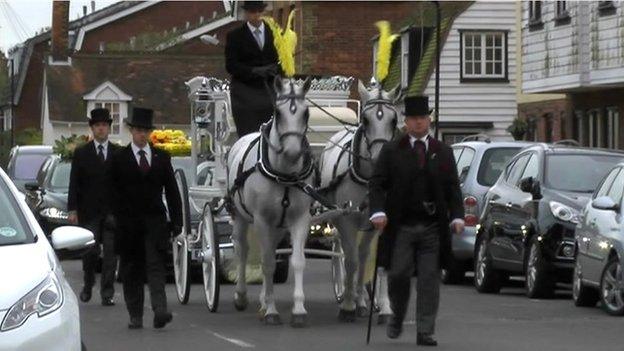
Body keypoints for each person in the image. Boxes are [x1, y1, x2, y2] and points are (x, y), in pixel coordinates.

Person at [368, 96, 464, 346]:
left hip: (432, 226)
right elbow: (377, 184)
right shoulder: (392, 150)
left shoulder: (442, 152)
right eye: (413, 119)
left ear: (429, 121)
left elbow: (453, 188)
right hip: (402, 225)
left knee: (429, 279)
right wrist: (378, 211)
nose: (418, 123)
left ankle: (425, 329)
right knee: (398, 274)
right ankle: (397, 316)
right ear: (406, 122)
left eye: (422, 118)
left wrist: (457, 216)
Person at [110, 107, 182, 330]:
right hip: (128, 225)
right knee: (132, 269)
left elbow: (172, 191)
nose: (142, 134)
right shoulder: (119, 158)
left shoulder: (161, 158)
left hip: (155, 222)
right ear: (131, 131)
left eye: (145, 131)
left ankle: (160, 310)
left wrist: (177, 221)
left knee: (156, 267)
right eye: (138, 130)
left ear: (150, 132)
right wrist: (113, 218)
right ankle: (135, 315)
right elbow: (110, 191)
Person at [68, 107, 120, 307]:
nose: (101, 129)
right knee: (90, 253)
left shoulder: (117, 153)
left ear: (109, 128)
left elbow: (122, 185)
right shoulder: (82, 153)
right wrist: (72, 209)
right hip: (88, 212)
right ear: (92, 128)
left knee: (110, 253)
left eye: (104, 126)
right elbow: (74, 183)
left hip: (111, 213)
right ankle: (88, 284)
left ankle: (107, 292)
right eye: (97, 126)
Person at [225, 0, 280, 137]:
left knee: (272, 130)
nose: (256, 15)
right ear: (246, 14)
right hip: (245, 92)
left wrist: (275, 69)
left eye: (259, 12)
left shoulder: (275, 33)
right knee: (250, 132)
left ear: (263, 12)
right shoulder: (235, 36)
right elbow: (231, 66)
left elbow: (282, 60)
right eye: (252, 12)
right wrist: (253, 71)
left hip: (269, 90)